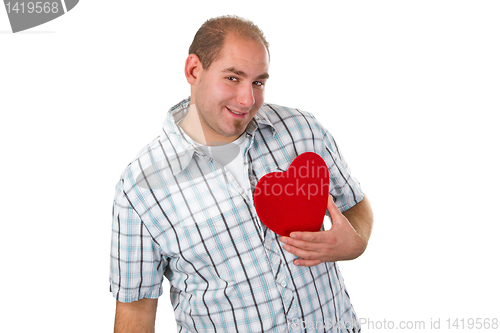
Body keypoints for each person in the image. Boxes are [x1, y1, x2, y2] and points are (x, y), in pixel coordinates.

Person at [110, 15, 373, 333]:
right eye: (233, 78)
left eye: (258, 82)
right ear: (194, 70)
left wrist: (354, 244)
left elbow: (356, 204)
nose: (248, 100)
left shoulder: (303, 130)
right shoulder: (140, 188)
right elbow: (136, 310)